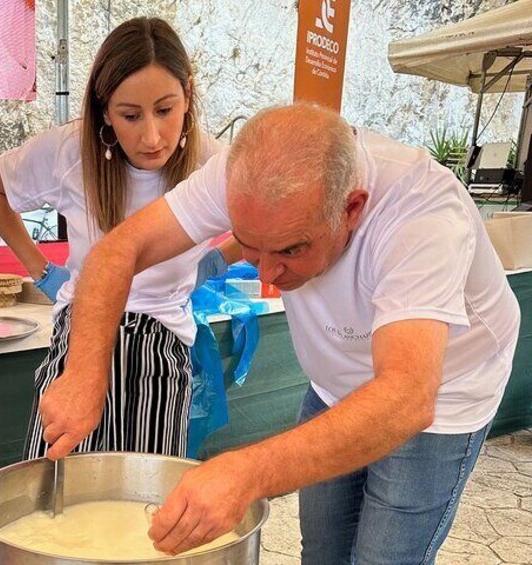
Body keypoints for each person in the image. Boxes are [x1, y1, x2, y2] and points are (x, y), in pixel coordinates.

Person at [45, 103, 521, 562]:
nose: (269, 274)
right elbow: (117, 251)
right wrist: (85, 372)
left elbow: (407, 397)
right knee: (322, 549)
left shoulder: (421, 215)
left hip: (443, 393)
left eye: (290, 250)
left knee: (385, 556)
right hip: (335, 383)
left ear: (352, 208)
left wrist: (247, 472)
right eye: (251, 247)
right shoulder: (243, 173)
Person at [0, 16, 226, 460]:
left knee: (145, 501)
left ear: (188, 93)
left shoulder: (213, 163)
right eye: (130, 116)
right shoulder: (68, 151)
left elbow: (263, 220)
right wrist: (42, 270)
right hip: (81, 334)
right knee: (54, 480)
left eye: (165, 110)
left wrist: (217, 259)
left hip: (161, 345)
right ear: (104, 108)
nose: (152, 136)